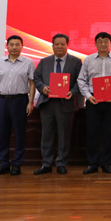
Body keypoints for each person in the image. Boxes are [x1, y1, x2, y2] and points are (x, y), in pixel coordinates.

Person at [77, 32, 111, 175]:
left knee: (109, 133)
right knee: (92, 133)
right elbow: (81, 79)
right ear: (95, 44)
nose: (103, 44)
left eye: (106, 41)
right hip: (93, 100)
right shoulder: (88, 60)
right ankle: (92, 164)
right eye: (100, 41)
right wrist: (88, 96)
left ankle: (106, 163)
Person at [33, 34, 83, 175]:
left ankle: (61, 163)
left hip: (66, 103)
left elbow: (80, 80)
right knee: (47, 135)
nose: (60, 46)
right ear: (52, 46)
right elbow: (36, 77)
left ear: (67, 45)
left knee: (64, 135)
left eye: (62, 44)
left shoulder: (76, 62)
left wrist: (72, 92)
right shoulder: (44, 61)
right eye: (57, 44)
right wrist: (43, 88)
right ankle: (46, 164)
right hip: (47, 103)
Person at [0, 35, 36, 176]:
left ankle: (17, 164)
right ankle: (3, 164)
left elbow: (32, 83)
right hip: (2, 101)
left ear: (22, 46)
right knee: (2, 134)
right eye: (11, 44)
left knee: (20, 133)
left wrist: (30, 102)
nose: (14, 47)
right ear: (7, 46)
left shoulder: (28, 62)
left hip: (20, 100)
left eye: (17, 44)